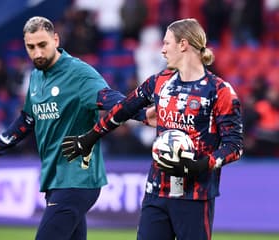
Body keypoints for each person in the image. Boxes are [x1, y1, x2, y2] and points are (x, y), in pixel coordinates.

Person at [62, 18, 243, 240]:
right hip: (156, 193)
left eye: (167, 43)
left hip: (195, 196)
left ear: (183, 44)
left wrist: (200, 165)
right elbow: (123, 109)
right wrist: (90, 138)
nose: (163, 50)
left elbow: (234, 145)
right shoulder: (159, 82)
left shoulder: (220, 91)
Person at [0, 16, 154, 240]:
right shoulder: (37, 77)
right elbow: (27, 120)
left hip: (77, 178)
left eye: (42, 45)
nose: (37, 53)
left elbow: (109, 99)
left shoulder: (78, 73)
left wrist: (142, 114)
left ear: (56, 39)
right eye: (31, 47)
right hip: (55, 178)